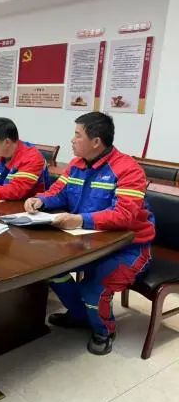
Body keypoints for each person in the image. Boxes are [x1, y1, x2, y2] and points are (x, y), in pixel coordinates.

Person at [24, 112, 154, 355]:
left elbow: (125, 214)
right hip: (88, 241)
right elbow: (58, 192)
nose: (72, 140)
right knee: (52, 270)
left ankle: (103, 331)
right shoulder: (76, 164)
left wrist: (81, 219)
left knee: (94, 288)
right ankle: (80, 315)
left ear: (96, 141)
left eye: (77, 135)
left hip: (128, 247)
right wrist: (40, 200)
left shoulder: (128, 170)